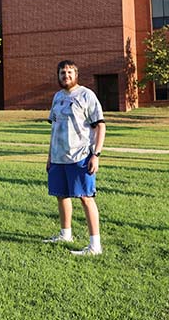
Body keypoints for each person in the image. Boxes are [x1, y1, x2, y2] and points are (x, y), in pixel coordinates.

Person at [43, 60, 106, 256]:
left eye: (70, 72)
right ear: (58, 76)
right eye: (62, 73)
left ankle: (95, 246)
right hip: (58, 157)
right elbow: (54, 127)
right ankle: (65, 234)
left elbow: (100, 125)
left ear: (76, 75)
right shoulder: (57, 97)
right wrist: (49, 156)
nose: (66, 76)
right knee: (61, 195)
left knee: (86, 198)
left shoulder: (86, 95)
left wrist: (95, 154)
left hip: (80, 156)